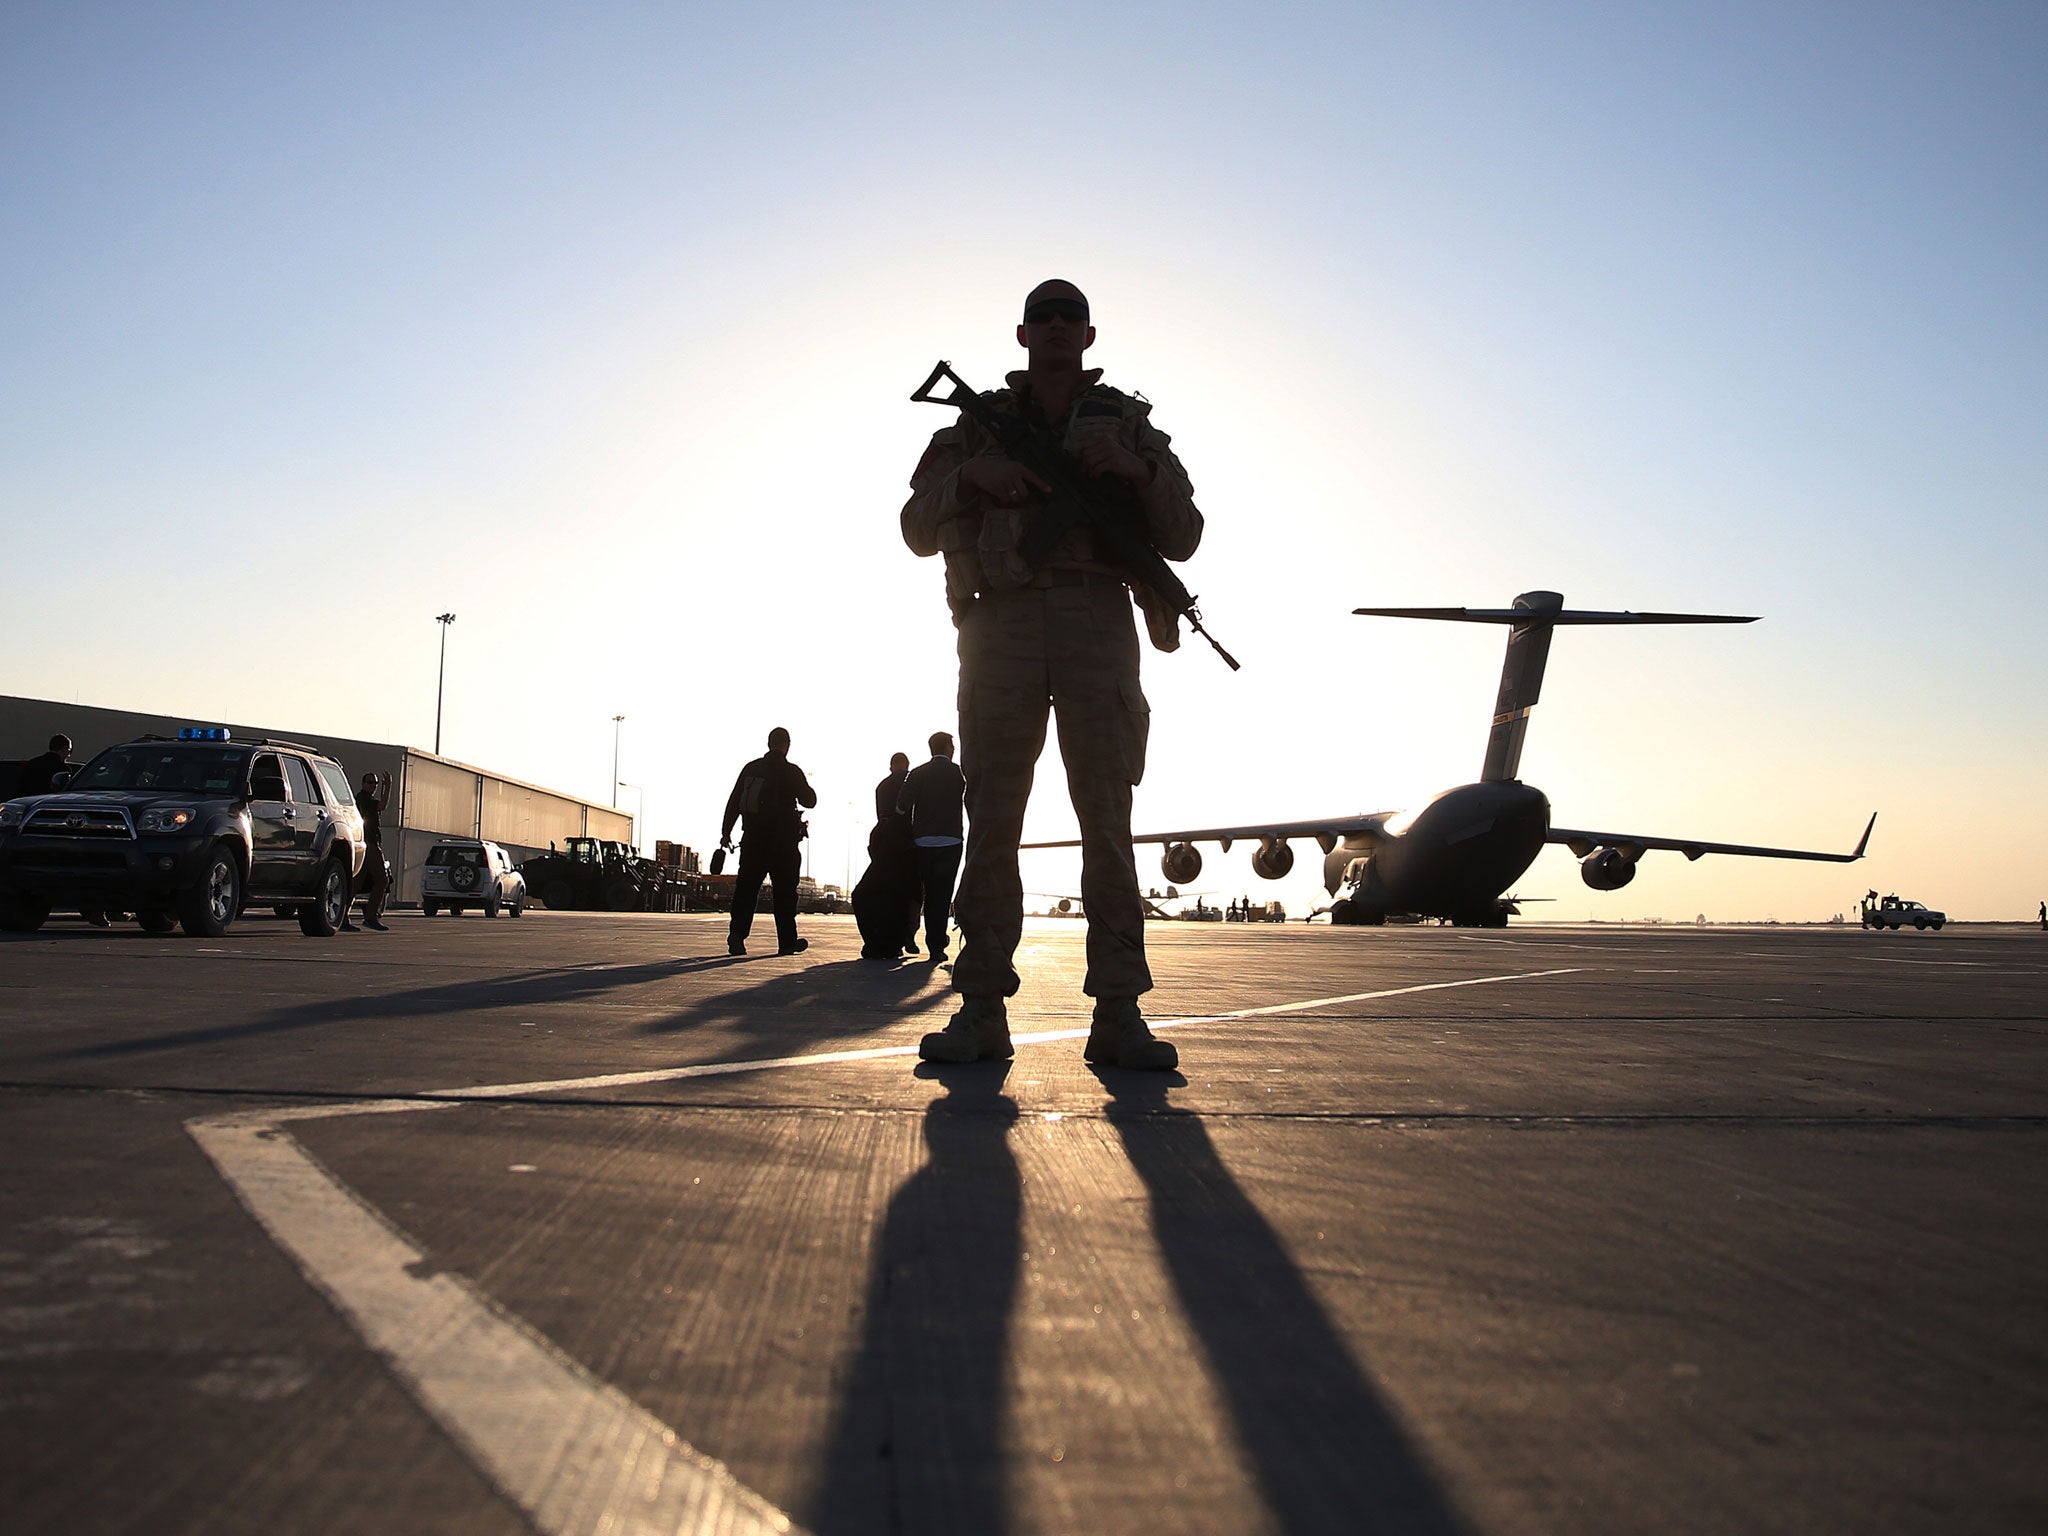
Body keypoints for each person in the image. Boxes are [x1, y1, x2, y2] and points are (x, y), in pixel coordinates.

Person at [901, 279, 1202, 1070]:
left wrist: (1135, 474)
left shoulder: (1130, 427)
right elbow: (913, 527)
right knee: (993, 815)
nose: (1059, 326)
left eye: (1072, 316)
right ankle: (980, 1009)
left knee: (1106, 819)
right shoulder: (976, 427)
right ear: (1023, 334)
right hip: (998, 623)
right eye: (1045, 316)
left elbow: (1186, 536)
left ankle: (1118, 1014)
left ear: (1090, 336)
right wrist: (976, 477)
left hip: (1095, 622)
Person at [719, 727, 818, 956]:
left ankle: (737, 935)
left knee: (746, 890)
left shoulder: (751, 769)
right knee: (784, 893)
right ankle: (786, 941)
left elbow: (734, 801)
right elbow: (810, 800)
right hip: (783, 845)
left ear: (769, 744)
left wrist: (726, 833)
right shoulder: (791, 771)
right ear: (787, 745)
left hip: (753, 840)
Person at [898, 731, 966, 962]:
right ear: (948, 748)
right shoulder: (959, 773)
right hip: (951, 840)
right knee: (942, 894)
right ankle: (936, 946)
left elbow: (901, 805)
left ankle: (912, 934)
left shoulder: (917, 774)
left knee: (923, 892)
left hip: (922, 841)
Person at [348, 771, 391, 932]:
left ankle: (343, 916)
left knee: (356, 882)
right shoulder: (363, 799)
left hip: (365, 844)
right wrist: (388, 787)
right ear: (363, 783)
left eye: (375, 783)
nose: (372, 786)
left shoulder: (365, 799)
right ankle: (371, 917)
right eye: (369, 782)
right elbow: (382, 806)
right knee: (382, 879)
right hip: (369, 844)